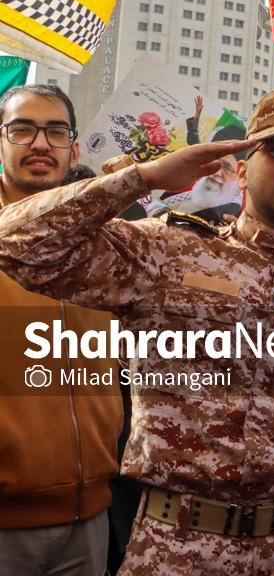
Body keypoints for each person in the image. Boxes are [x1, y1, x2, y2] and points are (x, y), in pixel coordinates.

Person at [0, 86, 274, 576]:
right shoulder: (166, 252)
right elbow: (13, 245)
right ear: (242, 169)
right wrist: (144, 176)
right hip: (177, 548)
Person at [0, 85, 123, 576]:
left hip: (90, 518)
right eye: (22, 129)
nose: (39, 143)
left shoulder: (111, 241)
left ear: (74, 151)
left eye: (55, 131)